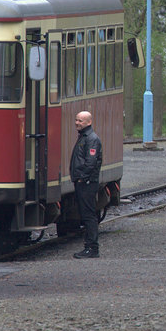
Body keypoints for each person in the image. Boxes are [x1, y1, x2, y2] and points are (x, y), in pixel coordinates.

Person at [69, 110, 103, 258]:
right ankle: (90, 247)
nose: (77, 123)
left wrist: (82, 177)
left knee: (89, 216)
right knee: (87, 215)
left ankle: (92, 248)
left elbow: (91, 162)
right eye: (76, 120)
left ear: (89, 122)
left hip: (87, 183)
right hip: (84, 181)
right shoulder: (84, 137)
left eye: (80, 121)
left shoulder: (91, 139)